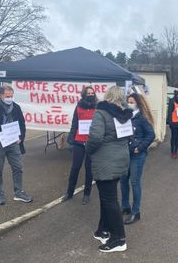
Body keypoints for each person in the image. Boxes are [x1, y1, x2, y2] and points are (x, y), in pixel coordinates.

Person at [86, 86, 132, 253]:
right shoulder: (126, 115)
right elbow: (129, 136)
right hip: (120, 159)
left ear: (107, 96)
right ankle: (103, 230)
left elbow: (95, 137)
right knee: (107, 197)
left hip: (105, 160)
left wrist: (88, 149)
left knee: (109, 199)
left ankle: (119, 239)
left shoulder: (101, 113)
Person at [0, 85, 33, 205]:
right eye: (7, 96)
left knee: (18, 167)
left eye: (11, 96)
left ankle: (18, 192)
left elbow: (22, 124)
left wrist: (21, 138)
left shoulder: (16, 108)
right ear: (0, 95)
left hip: (13, 142)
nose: (10, 98)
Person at [120, 93, 155, 225]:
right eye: (128, 101)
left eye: (132, 101)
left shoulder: (142, 118)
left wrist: (139, 148)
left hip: (137, 155)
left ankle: (136, 212)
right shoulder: (125, 117)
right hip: (125, 154)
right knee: (123, 181)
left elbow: (151, 134)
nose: (130, 103)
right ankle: (125, 207)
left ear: (138, 103)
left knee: (134, 182)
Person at [62, 86, 97, 204]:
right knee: (75, 167)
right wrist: (70, 140)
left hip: (91, 142)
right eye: (88, 93)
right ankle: (69, 192)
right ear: (84, 94)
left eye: (92, 93)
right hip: (78, 141)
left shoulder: (97, 108)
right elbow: (74, 124)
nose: (90, 95)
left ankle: (86, 194)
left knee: (89, 169)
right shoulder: (78, 106)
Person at [167, 90, 178, 158]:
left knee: (177, 138)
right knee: (174, 138)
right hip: (174, 123)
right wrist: (170, 122)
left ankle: (176, 152)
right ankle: (173, 152)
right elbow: (169, 112)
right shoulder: (172, 101)